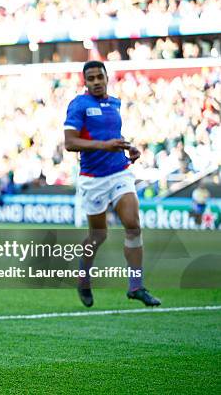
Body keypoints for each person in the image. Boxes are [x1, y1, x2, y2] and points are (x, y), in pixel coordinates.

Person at [64, 60, 161, 308]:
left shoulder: (115, 103)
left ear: (107, 78)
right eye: (91, 78)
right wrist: (103, 146)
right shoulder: (79, 105)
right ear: (85, 82)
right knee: (98, 235)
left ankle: (136, 286)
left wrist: (129, 147)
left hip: (119, 172)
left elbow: (112, 137)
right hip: (93, 179)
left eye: (100, 77)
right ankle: (83, 276)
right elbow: (70, 142)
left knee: (133, 225)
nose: (96, 82)